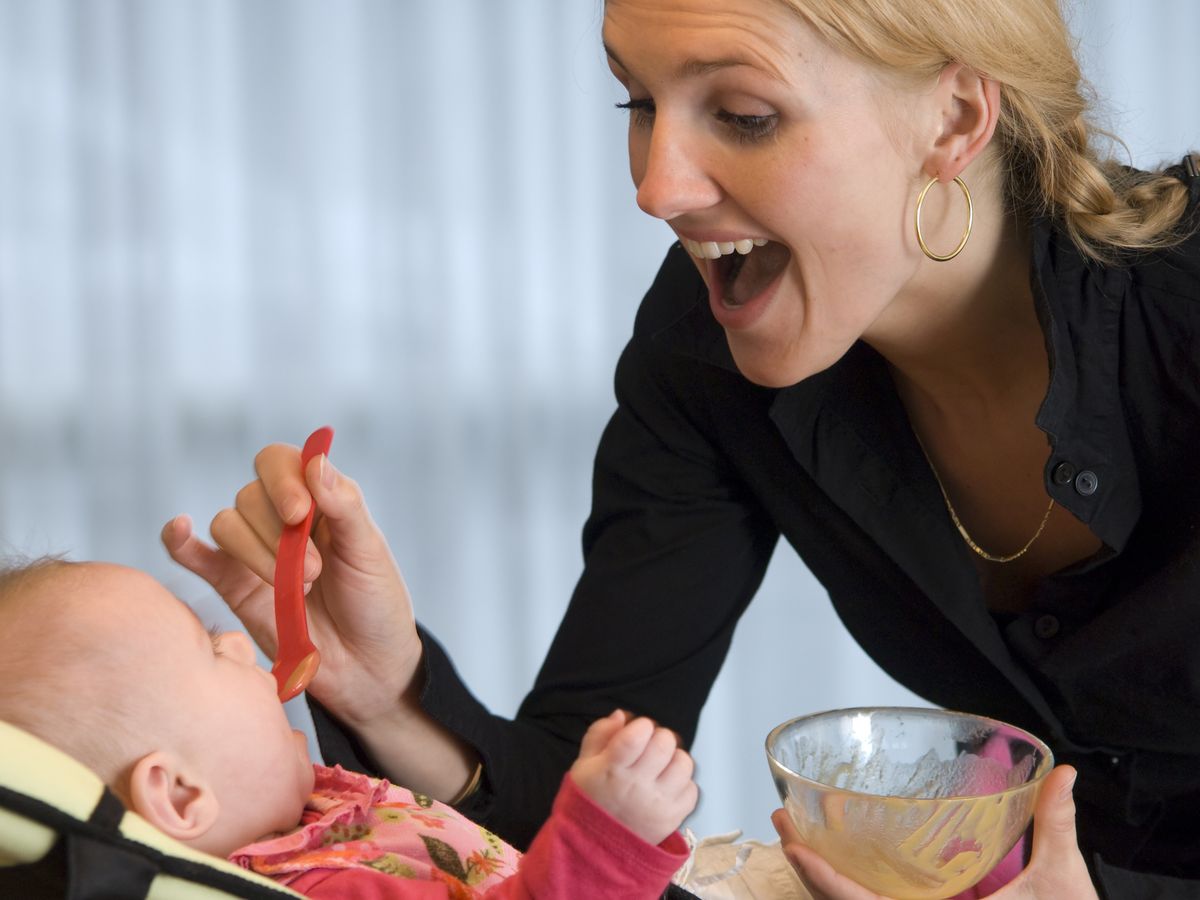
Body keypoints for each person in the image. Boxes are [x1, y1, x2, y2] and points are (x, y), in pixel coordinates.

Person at [163, 0, 1200, 896]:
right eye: (637, 103)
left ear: (957, 118)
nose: (656, 189)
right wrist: (387, 696)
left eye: (744, 115)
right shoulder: (703, 351)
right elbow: (578, 807)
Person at [0, 558, 696, 899]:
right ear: (181, 795)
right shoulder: (325, 888)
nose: (241, 642)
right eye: (210, 648)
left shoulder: (313, 817)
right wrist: (604, 841)